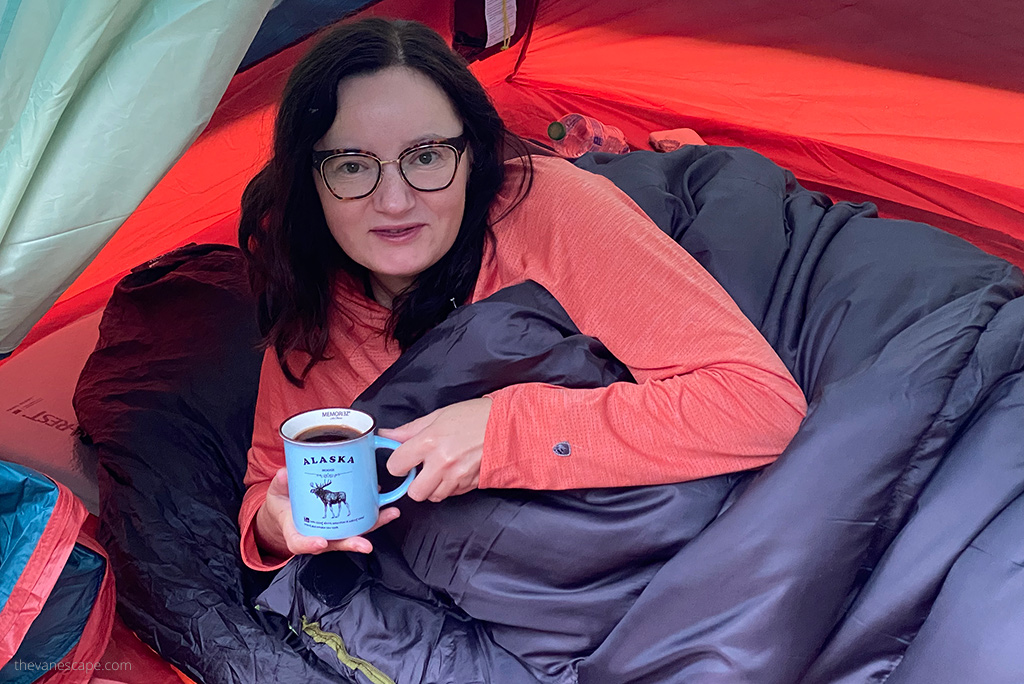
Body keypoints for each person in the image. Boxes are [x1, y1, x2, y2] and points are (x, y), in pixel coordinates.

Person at [237, 17, 807, 572]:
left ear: (472, 155)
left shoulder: (550, 213)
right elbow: (270, 484)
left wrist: (500, 435)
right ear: (310, 179)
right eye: (352, 164)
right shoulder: (312, 306)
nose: (393, 201)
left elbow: (760, 404)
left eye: (427, 156)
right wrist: (276, 526)